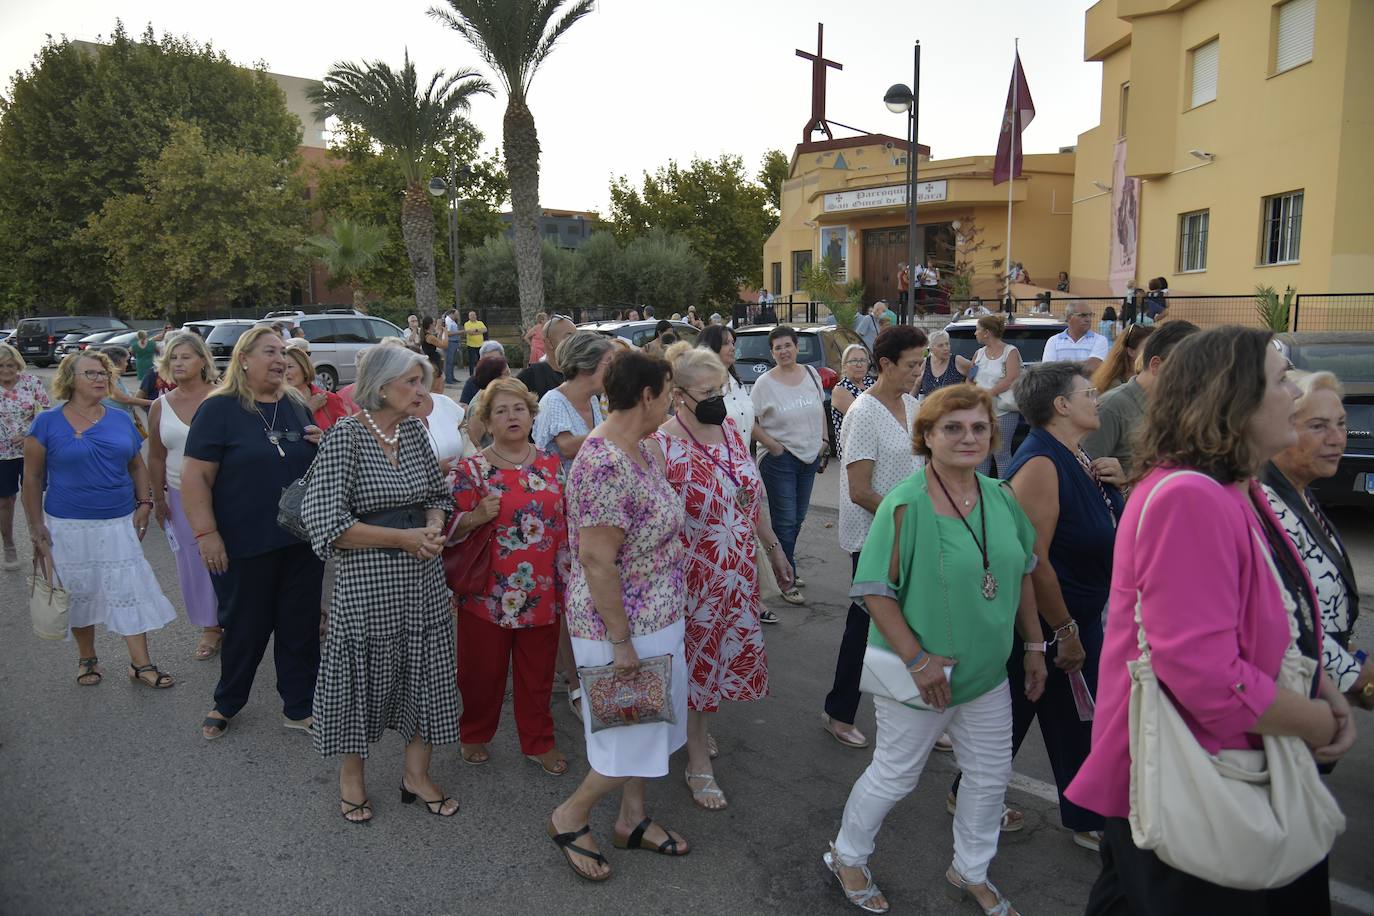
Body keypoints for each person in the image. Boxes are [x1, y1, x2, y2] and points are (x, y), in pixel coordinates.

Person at [1068, 327, 1355, 914]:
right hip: (1198, 778)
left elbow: (1278, 611)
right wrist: (1316, 721)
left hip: (1212, 768)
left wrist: (1323, 684)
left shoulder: (1235, 486)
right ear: (1236, 399)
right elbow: (1204, 677)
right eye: (1281, 383)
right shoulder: (1190, 497)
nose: (1296, 400)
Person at [824, 384, 1046, 916]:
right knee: (896, 774)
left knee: (989, 778)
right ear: (925, 436)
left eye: (978, 427)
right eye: (952, 427)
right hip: (924, 675)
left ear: (993, 433)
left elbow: (1023, 574)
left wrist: (1035, 644)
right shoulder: (905, 503)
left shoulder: (1002, 496)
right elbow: (875, 590)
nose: (968, 438)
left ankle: (970, 869)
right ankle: (847, 856)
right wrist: (919, 662)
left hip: (988, 672)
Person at [949, 362, 1125, 851]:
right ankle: (971, 796)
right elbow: (1033, 559)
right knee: (1021, 709)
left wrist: (1118, 482)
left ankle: (1085, 813)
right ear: (1062, 405)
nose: (1099, 398)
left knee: (1065, 714)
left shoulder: (1078, 453)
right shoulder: (1042, 464)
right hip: (1050, 620)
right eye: (1088, 392)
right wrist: (1062, 629)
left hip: (1078, 614)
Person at [547, 350, 689, 882]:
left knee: (646, 731)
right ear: (648, 396)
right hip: (618, 628)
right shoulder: (603, 461)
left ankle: (631, 819)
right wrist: (622, 641)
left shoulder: (642, 449)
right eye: (670, 392)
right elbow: (596, 561)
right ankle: (569, 815)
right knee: (626, 738)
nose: (674, 402)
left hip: (657, 617)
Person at [302, 344, 458, 822]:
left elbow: (436, 492)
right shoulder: (345, 437)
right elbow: (325, 522)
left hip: (423, 578)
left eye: (423, 379)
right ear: (381, 386)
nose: (422, 389)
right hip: (368, 581)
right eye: (411, 381)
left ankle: (416, 774)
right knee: (359, 677)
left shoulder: (413, 431)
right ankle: (352, 779)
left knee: (425, 671)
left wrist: (431, 526)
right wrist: (403, 537)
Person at [655, 343, 791, 809]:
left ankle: (696, 729)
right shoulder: (660, 444)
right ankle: (696, 758)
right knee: (696, 666)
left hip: (735, 573)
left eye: (722, 388)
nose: (718, 398)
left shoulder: (731, 431)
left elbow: (750, 498)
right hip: (689, 578)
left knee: (712, 667)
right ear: (679, 397)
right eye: (707, 391)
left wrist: (773, 549)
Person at [182, 326, 324, 740]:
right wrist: (206, 532)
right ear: (244, 358)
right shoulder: (219, 409)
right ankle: (228, 701)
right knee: (245, 626)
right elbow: (195, 477)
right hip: (244, 542)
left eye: (283, 352)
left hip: (300, 540)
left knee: (299, 627)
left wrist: (325, 442)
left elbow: (315, 467)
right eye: (270, 352)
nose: (280, 359)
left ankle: (299, 706)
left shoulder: (297, 405)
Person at [23, 351, 177, 688]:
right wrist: (36, 527)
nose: (99, 378)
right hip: (67, 525)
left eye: (103, 373)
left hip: (118, 521)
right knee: (80, 591)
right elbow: (32, 478)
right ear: (69, 380)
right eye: (90, 373)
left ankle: (141, 664)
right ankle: (87, 658)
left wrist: (145, 502)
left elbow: (137, 465)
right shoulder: (46, 422)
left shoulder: (120, 419)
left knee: (129, 588)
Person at [447, 377, 570, 776]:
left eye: (518, 408)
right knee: (481, 672)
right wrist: (474, 516)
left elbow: (570, 524)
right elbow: (448, 530)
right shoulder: (471, 470)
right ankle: (474, 732)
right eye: (500, 411)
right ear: (487, 422)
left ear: (532, 415)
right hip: (487, 592)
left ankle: (538, 741)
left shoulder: (553, 464)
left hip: (544, 588)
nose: (511, 416)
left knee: (538, 672)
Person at [824, 326, 927, 750]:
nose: (919, 372)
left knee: (917, 625)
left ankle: (920, 714)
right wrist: (904, 522)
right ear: (885, 364)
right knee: (865, 626)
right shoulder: (863, 413)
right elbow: (860, 489)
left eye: (922, 363)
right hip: (876, 537)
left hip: (914, 531)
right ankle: (839, 711)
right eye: (912, 364)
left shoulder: (913, 405)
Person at [1262, 371, 1371, 707]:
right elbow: (1283, 623)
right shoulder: (1267, 506)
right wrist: (1356, 678)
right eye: (1318, 426)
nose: (1338, 438)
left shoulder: (1300, 493)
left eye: (1341, 423)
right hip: (1290, 698)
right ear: (1280, 427)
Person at [147, 332, 223, 660]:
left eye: (186, 356)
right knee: (194, 562)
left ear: (203, 361)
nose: (178, 363)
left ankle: (239, 618)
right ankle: (210, 626)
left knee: (232, 557)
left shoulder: (224, 398)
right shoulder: (159, 406)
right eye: (173, 357)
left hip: (226, 492)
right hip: (179, 495)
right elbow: (156, 457)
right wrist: (158, 499)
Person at [751, 326, 827, 606]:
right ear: (772, 353)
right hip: (780, 459)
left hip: (809, 456)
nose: (783, 351)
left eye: (787, 345)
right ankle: (786, 579)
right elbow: (750, 421)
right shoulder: (764, 384)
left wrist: (823, 440)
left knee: (798, 518)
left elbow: (820, 408)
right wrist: (773, 446)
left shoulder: (810, 374)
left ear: (796, 347)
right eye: (777, 348)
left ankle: (786, 563)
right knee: (785, 521)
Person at [1081, 320, 1199, 474]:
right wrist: (1124, 487)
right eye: (1190, 368)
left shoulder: (1180, 408)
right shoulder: (1112, 408)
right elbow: (1081, 477)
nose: (1197, 377)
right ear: (1156, 365)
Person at [534, 332, 614, 474]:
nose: (613, 369)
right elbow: (568, 447)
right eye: (608, 362)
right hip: (563, 492)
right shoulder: (554, 401)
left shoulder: (592, 400)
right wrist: (617, 428)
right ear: (586, 365)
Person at [0, 343, 49, 569]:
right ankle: (9, 544)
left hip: (32, 449)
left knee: (32, 497)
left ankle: (37, 541)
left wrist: (29, 433)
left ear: (17, 364)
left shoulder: (31, 383)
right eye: (0, 366)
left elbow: (47, 413)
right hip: (2, 455)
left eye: (10, 365)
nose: (6, 370)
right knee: (4, 501)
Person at [970, 315, 1022, 478]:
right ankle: (982, 493)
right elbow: (970, 379)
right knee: (981, 453)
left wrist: (987, 394)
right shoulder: (978, 353)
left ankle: (1004, 494)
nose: (975, 333)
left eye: (977, 330)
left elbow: (1011, 378)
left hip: (1003, 411)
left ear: (987, 332)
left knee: (1001, 453)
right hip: (980, 411)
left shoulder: (1010, 351)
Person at [283, 346, 348, 431]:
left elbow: (347, 434)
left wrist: (322, 438)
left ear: (304, 368)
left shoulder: (329, 399)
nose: (285, 372)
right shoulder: (276, 403)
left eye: (290, 367)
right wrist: (308, 410)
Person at [829, 344, 875, 459]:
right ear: (844, 366)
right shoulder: (840, 389)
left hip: (874, 446)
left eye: (863, 360)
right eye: (854, 361)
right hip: (854, 450)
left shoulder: (871, 383)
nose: (859, 364)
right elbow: (862, 418)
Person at [518, 315, 578, 399]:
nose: (575, 342)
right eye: (568, 337)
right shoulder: (530, 377)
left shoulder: (581, 375)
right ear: (548, 342)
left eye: (576, 337)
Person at [462, 355, 511, 448]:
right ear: (492, 378)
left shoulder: (499, 397)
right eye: (506, 374)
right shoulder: (478, 407)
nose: (510, 379)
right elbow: (474, 444)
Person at [1089, 322, 1153, 395]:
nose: (1155, 352)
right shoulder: (1115, 387)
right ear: (1131, 351)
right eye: (1149, 348)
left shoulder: (1154, 381)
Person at [1043, 306, 1110, 373]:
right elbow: (1048, 370)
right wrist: (1081, 365)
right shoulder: (1053, 341)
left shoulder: (1100, 340)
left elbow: (1091, 367)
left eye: (1090, 315)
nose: (1088, 319)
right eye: (1082, 315)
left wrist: (1060, 367)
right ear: (1069, 317)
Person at [916, 329, 969, 399]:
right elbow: (916, 385)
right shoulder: (926, 363)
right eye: (940, 345)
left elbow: (978, 376)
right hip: (930, 408)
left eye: (947, 344)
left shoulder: (957, 361)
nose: (946, 348)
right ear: (931, 349)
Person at [464, 310, 487, 375]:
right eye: (471, 315)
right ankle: (471, 374)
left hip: (480, 344)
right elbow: (470, 333)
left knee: (480, 360)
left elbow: (485, 330)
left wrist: (475, 330)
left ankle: (481, 373)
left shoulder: (480, 322)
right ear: (469, 317)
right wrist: (479, 331)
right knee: (471, 361)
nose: (473, 316)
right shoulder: (467, 324)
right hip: (471, 345)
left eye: (474, 315)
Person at [442, 309, 462, 384]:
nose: (457, 316)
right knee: (449, 361)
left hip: (454, 342)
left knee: (452, 361)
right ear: (452, 314)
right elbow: (448, 333)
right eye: (456, 314)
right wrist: (460, 332)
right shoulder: (448, 321)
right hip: (450, 342)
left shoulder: (452, 321)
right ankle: (448, 379)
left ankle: (452, 377)